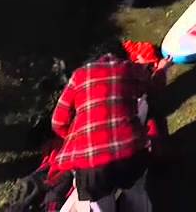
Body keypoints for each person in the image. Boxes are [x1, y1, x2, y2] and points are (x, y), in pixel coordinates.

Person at [51, 41, 169, 212]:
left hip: (91, 169)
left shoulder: (78, 76)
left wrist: (75, 138)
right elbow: (154, 89)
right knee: (135, 194)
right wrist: (162, 69)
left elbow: (58, 122)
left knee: (100, 204)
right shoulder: (129, 68)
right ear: (122, 56)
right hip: (129, 155)